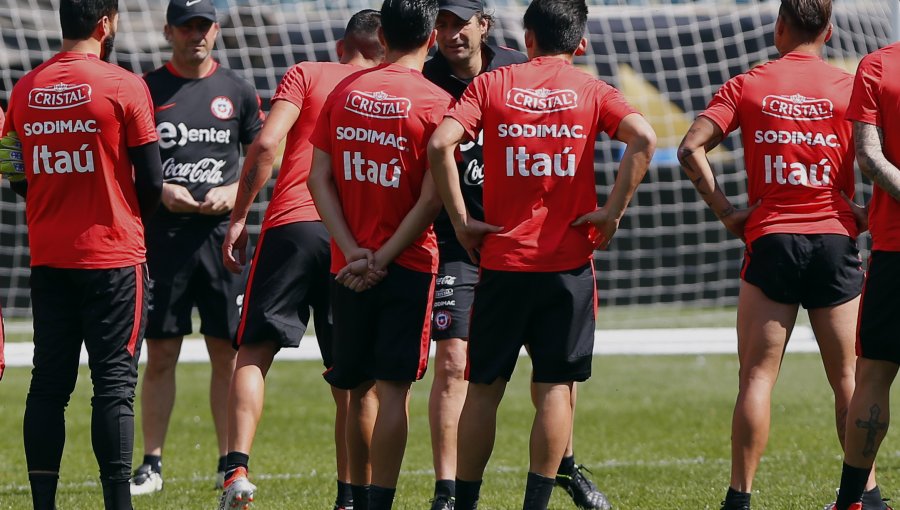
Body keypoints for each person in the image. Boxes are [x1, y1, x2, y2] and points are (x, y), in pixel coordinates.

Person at [427, 0, 655, 507]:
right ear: (580, 44)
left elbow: (441, 143)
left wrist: (463, 220)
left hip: (503, 263)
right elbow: (644, 137)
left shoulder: (491, 85)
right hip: (568, 264)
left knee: (482, 388)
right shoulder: (592, 89)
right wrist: (612, 212)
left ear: (526, 38)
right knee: (554, 388)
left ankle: (463, 501)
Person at [676, 1, 875, 509]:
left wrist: (726, 212)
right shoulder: (850, 86)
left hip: (771, 239)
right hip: (834, 240)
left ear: (779, 25)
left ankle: (738, 500)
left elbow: (689, 149)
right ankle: (864, 499)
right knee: (849, 380)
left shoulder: (748, 84)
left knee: (758, 377)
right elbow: (881, 154)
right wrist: (865, 210)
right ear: (828, 31)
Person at [217, 9, 384, 510]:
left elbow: (268, 142)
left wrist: (239, 217)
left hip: (291, 226)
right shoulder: (394, 87)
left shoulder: (307, 72)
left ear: (341, 44)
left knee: (253, 353)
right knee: (352, 379)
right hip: (352, 240)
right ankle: (351, 498)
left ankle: (236, 471)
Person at [1, 0, 163, 507]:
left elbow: (11, 167)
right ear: (106, 22)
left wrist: (52, 198)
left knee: (49, 383)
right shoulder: (123, 85)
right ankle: (118, 502)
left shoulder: (26, 89)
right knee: (114, 385)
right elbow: (153, 182)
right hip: (115, 256)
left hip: (50, 258)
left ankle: (43, 504)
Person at [305, 1, 450, 508]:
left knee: (356, 389)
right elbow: (432, 200)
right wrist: (383, 257)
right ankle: (380, 502)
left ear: (382, 35)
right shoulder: (436, 103)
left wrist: (352, 252)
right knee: (393, 391)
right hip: (406, 265)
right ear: (432, 39)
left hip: (347, 268)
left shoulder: (345, 90)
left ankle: (355, 497)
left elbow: (315, 178)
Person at [129, 0, 264, 496]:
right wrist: (161, 190)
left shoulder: (237, 90)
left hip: (220, 240)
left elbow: (262, 153)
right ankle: (151, 464)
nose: (196, 36)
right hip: (163, 239)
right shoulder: (146, 89)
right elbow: (130, 160)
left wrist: (237, 194)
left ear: (216, 30)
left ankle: (230, 462)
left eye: (203, 27)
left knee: (226, 353)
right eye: (187, 27)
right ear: (169, 31)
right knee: (161, 353)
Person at [825, 40, 900, 510]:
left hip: (895, 249)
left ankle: (853, 502)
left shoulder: (877, 65)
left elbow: (869, 159)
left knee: (872, 374)